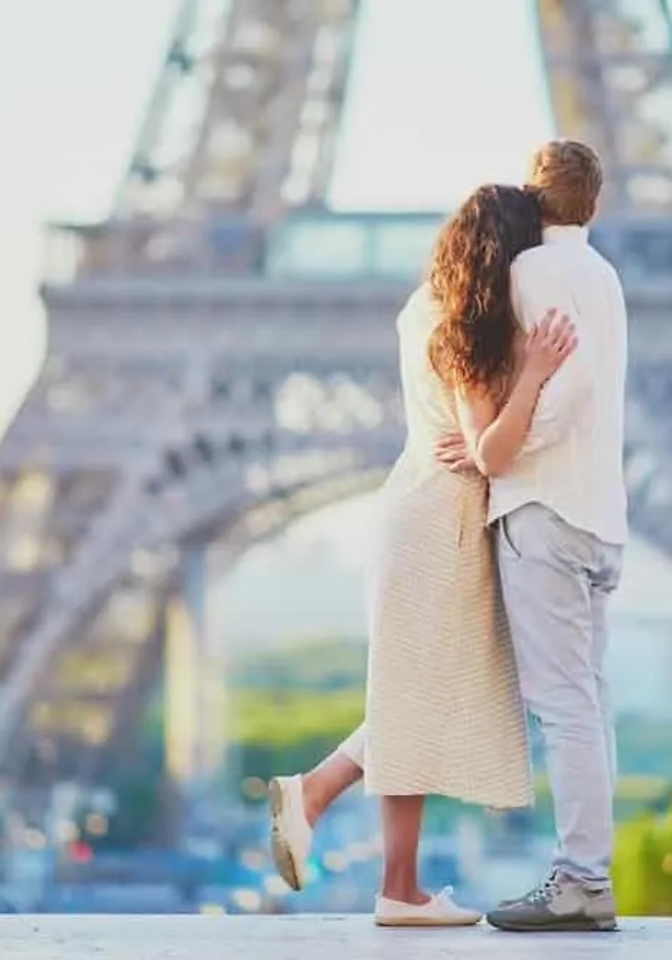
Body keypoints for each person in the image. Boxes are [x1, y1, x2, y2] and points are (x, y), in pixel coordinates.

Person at [266, 183, 577, 927]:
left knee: (417, 696)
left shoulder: (424, 309)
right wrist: (534, 372)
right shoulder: (469, 332)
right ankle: (384, 874)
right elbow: (488, 450)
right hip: (443, 519)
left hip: (417, 504)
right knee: (416, 698)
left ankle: (358, 842)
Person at [437, 139, 628, 933]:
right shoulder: (603, 275)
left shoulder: (528, 273)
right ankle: (589, 873)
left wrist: (506, 440)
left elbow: (564, 387)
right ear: (593, 202)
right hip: (601, 516)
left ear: (533, 193)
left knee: (564, 707)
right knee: (589, 702)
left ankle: (581, 879)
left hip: (545, 511)